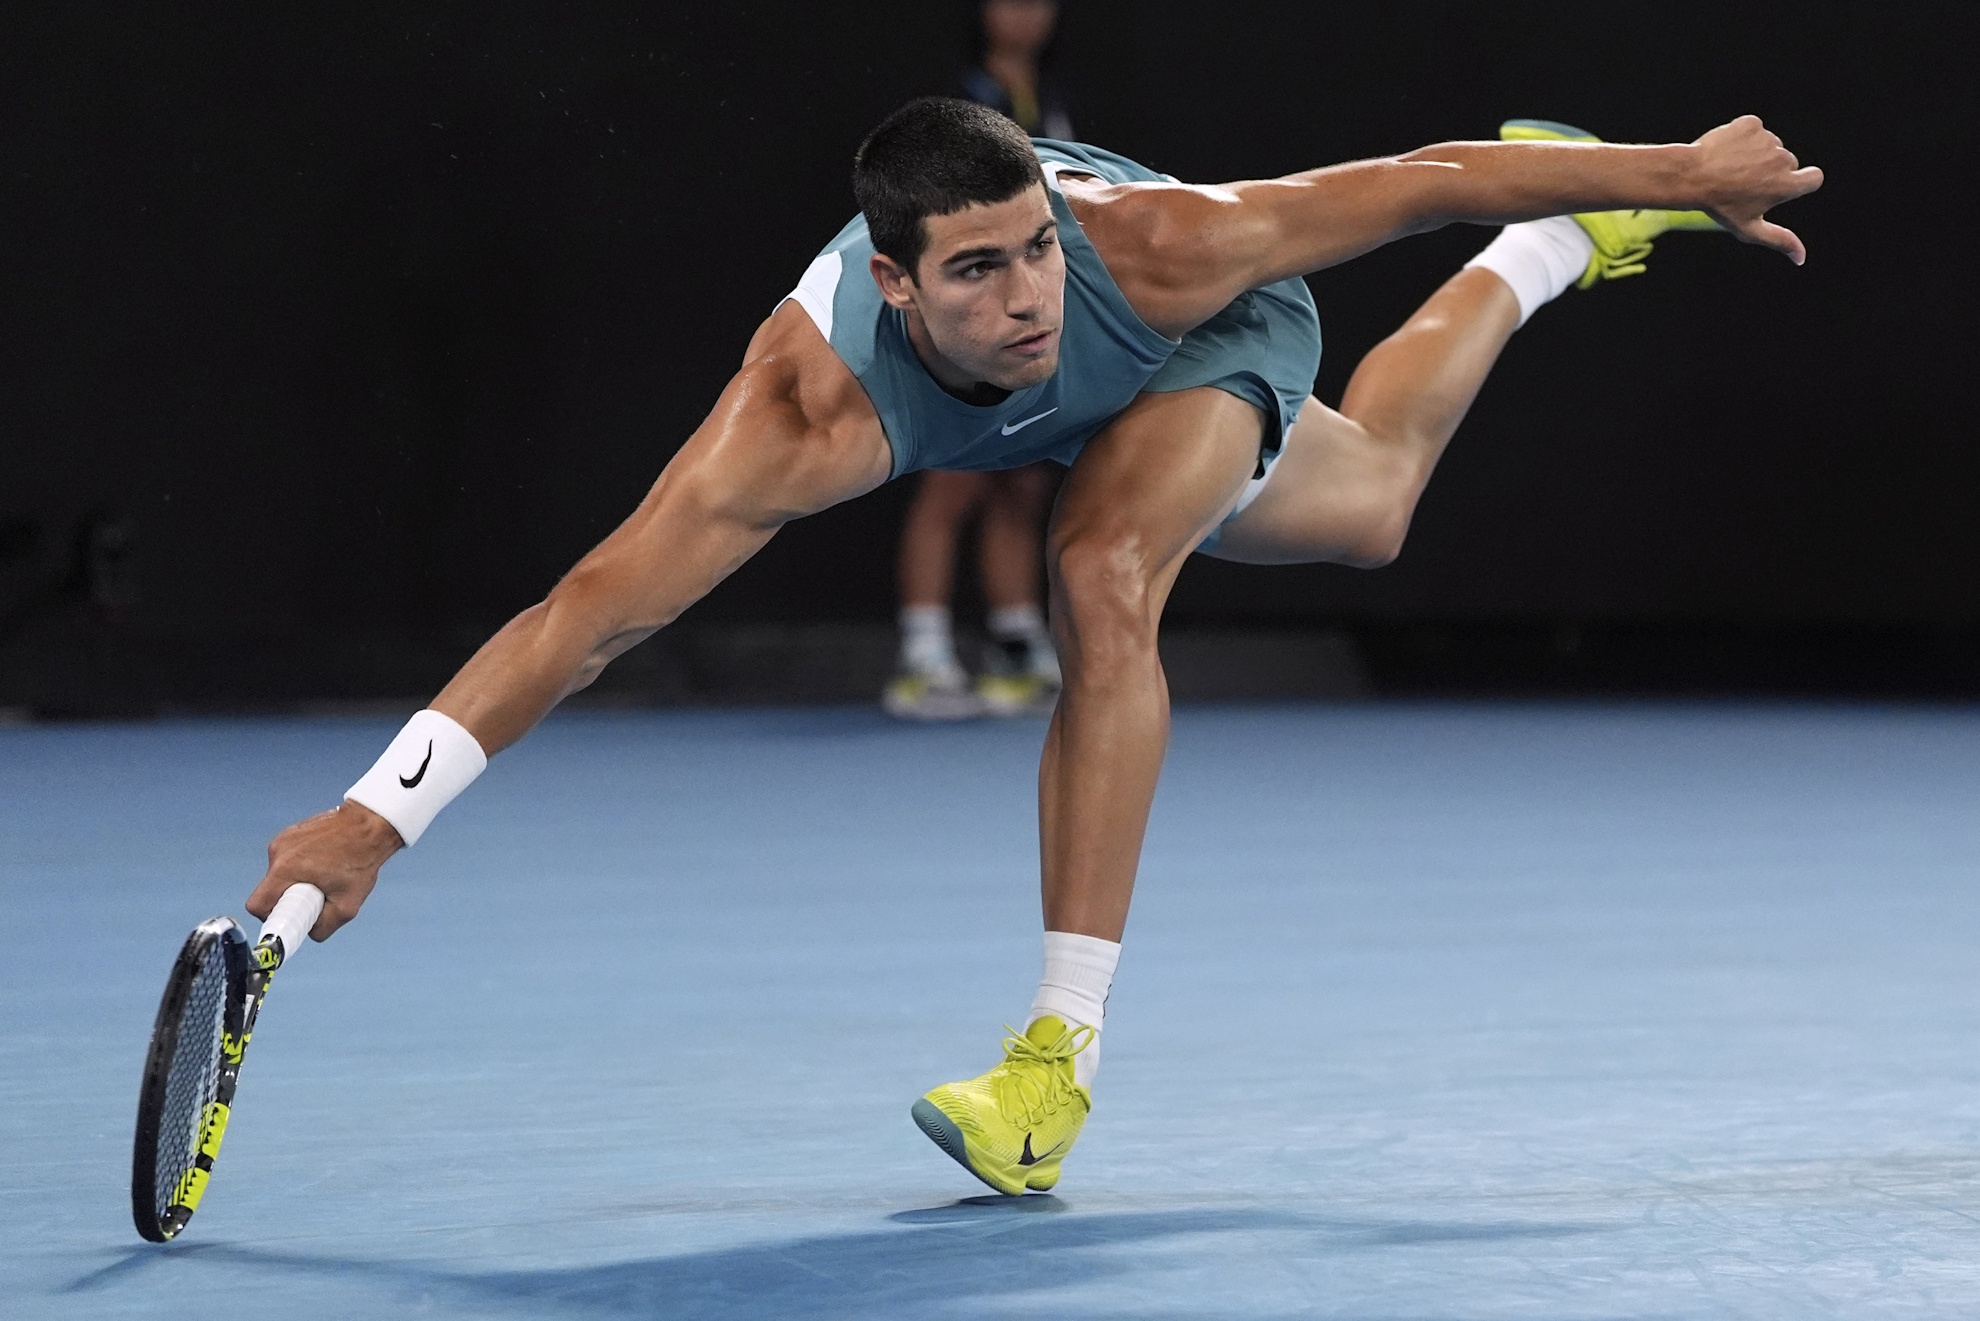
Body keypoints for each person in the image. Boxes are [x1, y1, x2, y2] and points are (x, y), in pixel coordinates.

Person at [249, 101, 1819, 1197]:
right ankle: (1560, 248)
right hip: (1119, 379)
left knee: (1104, 564)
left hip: (1210, 343)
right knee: (1381, 499)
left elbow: (1422, 176)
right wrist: (376, 817)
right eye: (976, 271)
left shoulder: (1152, 247)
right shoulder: (798, 416)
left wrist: (1684, 167)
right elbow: (590, 612)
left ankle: (1050, 1065)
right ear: (892, 283)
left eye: (1031, 250)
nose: (1023, 300)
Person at [886, 0, 1074, 720]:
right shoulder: (962, 103)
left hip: (1029, 314)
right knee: (952, 482)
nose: (1027, 14)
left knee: (1021, 484)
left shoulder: (1047, 100)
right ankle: (923, 654)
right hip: (963, 321)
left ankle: (1016, 641)